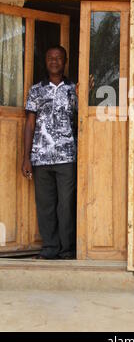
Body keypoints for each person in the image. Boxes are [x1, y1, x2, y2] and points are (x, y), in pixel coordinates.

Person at [22, 45, 92, 260]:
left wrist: (85, 95)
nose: (54, 61)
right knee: (45, 206)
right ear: (45, 61)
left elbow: (84, 117)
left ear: (65, 61)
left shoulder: (73, 88)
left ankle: (66, 250)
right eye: (50, 58)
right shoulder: (36, 90)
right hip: (41, 157)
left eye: (58, 58)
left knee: (66, 205)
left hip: (67, 157)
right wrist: (26, 157)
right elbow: (30, 124)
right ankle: (50, 248)